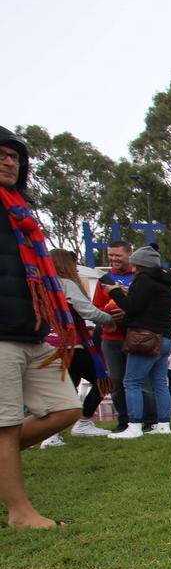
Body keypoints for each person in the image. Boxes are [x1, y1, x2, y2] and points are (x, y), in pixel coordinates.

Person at [0, 126, 82, 528]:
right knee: (5, 423)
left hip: (34, 331)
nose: (8, 160)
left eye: (14, 155)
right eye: (0, 154)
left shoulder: (23, 216)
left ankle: (6, 466)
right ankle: (20, 512)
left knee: (66, 408)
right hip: (1, 333)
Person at [102, 245, 171, 439]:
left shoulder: (144, 281)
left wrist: (115, 292)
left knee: (131, 381)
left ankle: (134, 425)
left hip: (145, 338)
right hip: (165, 339)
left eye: (135, 265)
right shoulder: (167, 285)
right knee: (160, 382)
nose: (133, 269)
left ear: (141, 265)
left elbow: (132, 307)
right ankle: (163, 424)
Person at [45, 248, 115, 441]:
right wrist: (110, 319)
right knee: (104, 380)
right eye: (73, 265)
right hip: (70, 344)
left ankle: (51, 435)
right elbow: (89, 312)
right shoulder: (65, 284)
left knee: (66, 387)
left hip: (47, 345)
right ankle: (82, 423)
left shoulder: (41, 286)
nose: (76, 269)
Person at [93, 239, 155, 431]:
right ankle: (124, 420)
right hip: (111, 338)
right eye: (111, 255)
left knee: (141, 381)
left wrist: (127, 312)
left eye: (118, 255)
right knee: (117, 382)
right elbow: (94, 307)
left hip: (136, 335)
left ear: (130, 254)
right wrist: (107, 315)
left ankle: (149, 420)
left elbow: (148, 306)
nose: (113, 259)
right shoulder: (104, 280)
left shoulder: (140, 276)